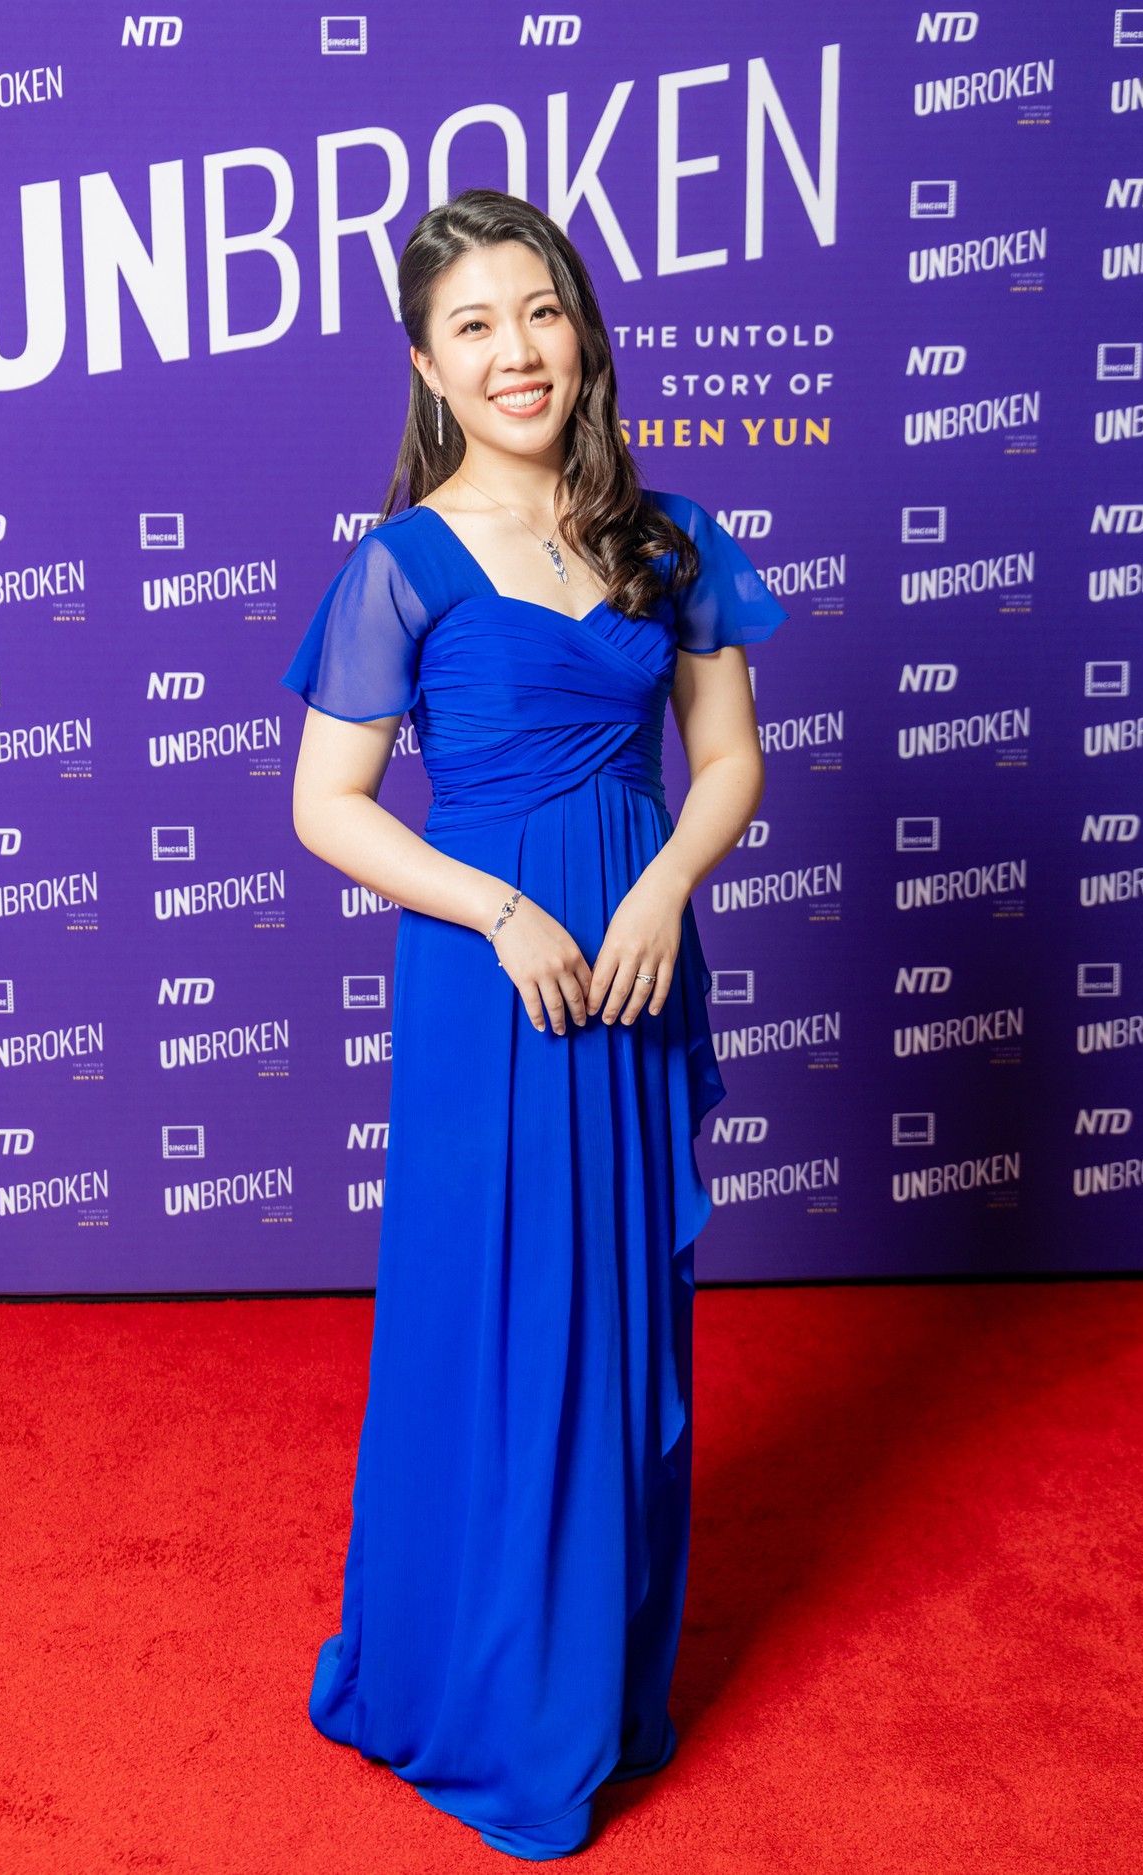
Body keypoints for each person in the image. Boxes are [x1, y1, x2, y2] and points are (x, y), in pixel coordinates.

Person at [281, 187, 787, 1860]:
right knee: (491, 1320)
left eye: (540, 311)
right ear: (427, 366)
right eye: (474, 326)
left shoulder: (669, 536)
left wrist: (661, 894)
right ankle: (481, 1696)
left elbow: (727, 759)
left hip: (632, 968)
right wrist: (499, 912)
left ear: (582, 333)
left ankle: (593, 1685)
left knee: (620, 1328)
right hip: (490, 985)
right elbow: (326, 806)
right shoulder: (400, 565)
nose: (516, 351)